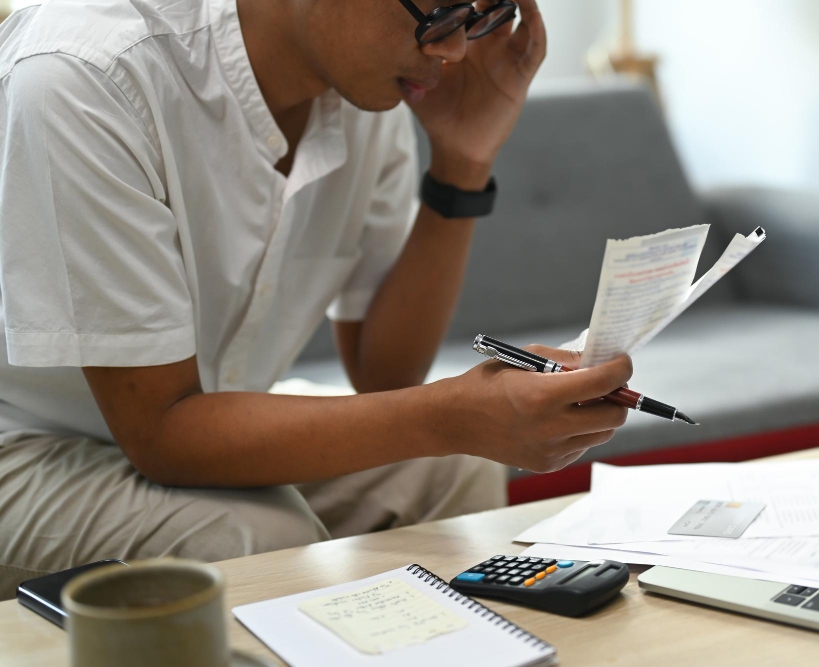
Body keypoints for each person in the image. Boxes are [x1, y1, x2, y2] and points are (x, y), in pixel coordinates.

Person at [0, 0, 632, 599]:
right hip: (26, 445)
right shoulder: (85, 77)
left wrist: (461, 164)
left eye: (480, 14)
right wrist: (450, 414)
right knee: (257, 538)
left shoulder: (362, 89)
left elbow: (386, 375)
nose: (457, 49)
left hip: (196, 420)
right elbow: (161, 432)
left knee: (452, 468)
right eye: (439, 13)